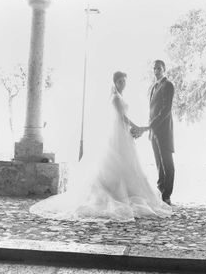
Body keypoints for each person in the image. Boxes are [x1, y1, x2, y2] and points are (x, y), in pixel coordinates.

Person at [29, 71, 171, 222]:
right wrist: (136, 127)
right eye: (120, 82)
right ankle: (114, 195)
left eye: (124, 81)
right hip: (117, 134)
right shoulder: (115, 98)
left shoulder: (120, 96)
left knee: (129, 165)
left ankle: (129, 194)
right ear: (115, 82)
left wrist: (134, 129)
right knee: (113, 164)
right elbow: (122, 117)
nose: (122, 84)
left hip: (123, 134)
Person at [144, 59, 175, 206]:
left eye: (159, 68)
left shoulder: (168, 85)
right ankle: (160, 190)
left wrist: (151, 125)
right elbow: (152, 110)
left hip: (163, 131)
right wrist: (150, 129)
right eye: (154, 68)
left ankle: (167, 195)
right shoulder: (153, 87)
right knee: (158, 163)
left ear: (164, 69)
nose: (156, 71)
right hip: (154, 132)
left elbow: (165, 110)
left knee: (167, 163)